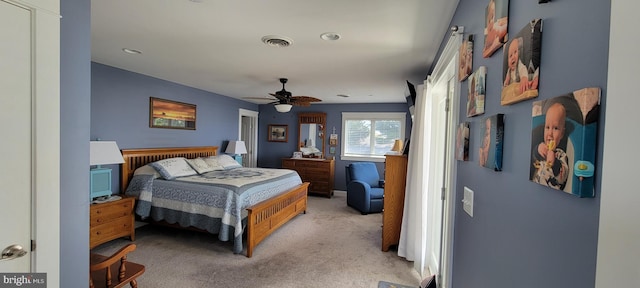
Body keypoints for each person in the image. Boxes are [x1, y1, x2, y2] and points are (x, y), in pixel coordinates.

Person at [531, 102, 569, 190]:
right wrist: (537, 150)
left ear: (562, 133)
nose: (550, 133)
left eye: (555, 128)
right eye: (547, 127)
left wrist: (554, 163)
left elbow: (562, 178)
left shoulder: (561, 155)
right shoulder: (542, 147)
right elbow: (533, 160)